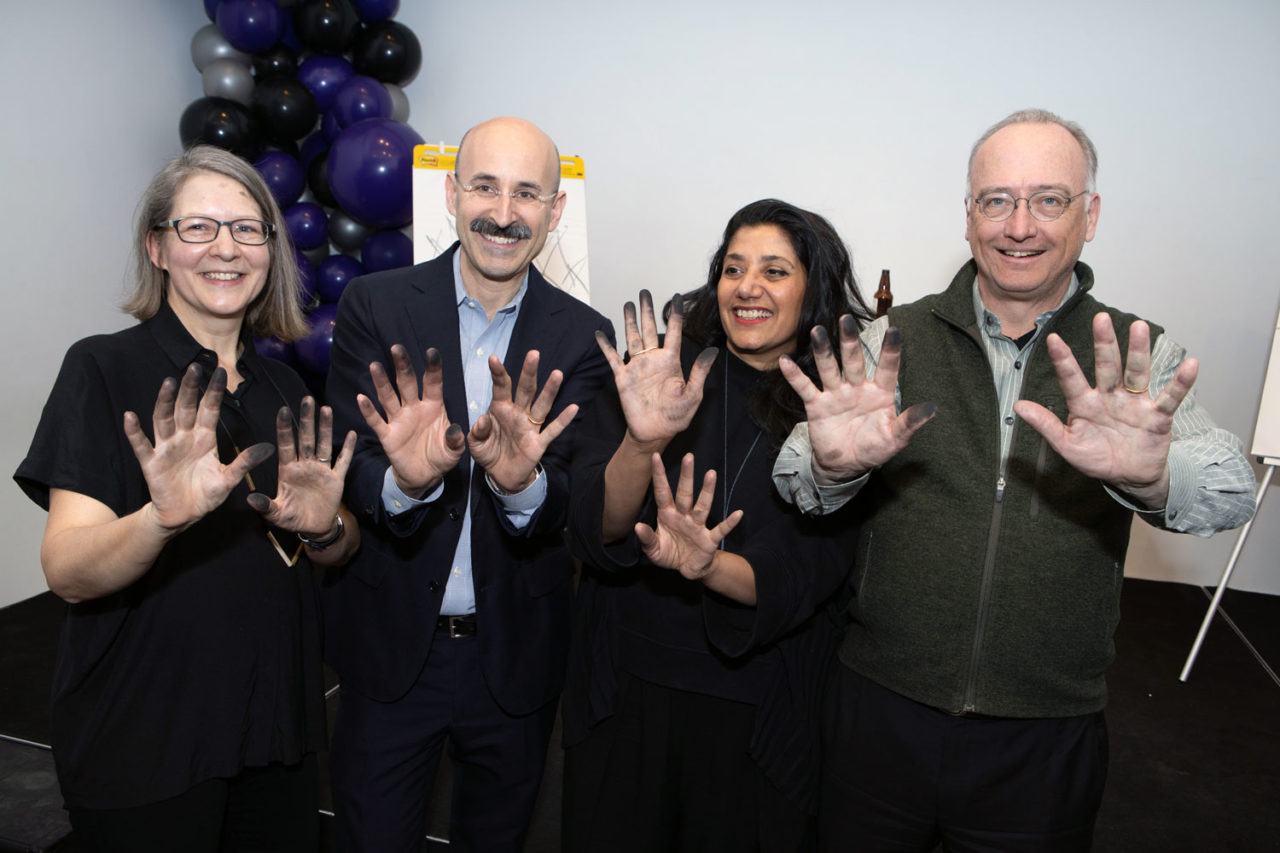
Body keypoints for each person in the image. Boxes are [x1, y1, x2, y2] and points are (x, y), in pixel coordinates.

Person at [772, 109, 1258, 851]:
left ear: (1089, 215)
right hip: (880, 713)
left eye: (1049, 199)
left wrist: (1157, 479)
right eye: (996, 200)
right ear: (968, 217)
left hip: (1044, 737)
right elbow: (796, 474)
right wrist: (831, 467)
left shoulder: (1131, 354)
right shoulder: (892, 336)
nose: (1019, 225)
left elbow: (1231, 488)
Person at [13, 144, 359, 852]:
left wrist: (326, 530)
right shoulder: (104, 368)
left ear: (270, 248)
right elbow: (69, 571)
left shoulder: (286, 389)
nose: (225, 248)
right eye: (198, 227)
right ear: (158, 247)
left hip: (275, 734)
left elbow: (331, 546)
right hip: (149, 740)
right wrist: (160, 517)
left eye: (246, 228)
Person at [322, 116, 614, 852]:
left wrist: (523, 488)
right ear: (452, 193)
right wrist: (402, 483)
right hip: (391, 655)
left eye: (526, 193)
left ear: (556, 210)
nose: (503, 212)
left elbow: (579, 499)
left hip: (515, 661)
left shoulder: (585, 333)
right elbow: (344, 465)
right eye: (484, 185)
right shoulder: (374, 304)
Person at [562, 199, 871, 852]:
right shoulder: (663, 374)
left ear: (812, 290)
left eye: (775, 271)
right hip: (624, 694)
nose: (748, 286)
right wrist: (642, 443)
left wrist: (709, 565)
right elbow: (596, 524)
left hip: (753, 714)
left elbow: (808, 571)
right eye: (734, 268)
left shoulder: (835, 411)